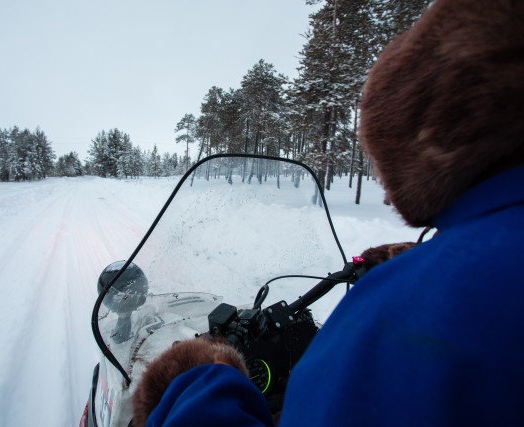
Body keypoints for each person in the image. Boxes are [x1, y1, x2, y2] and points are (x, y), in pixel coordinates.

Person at [132, 0, 524, 425]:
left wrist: (193, 386)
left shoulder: (405, 312)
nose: (387, 194)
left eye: (382, 162)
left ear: (429, 147)